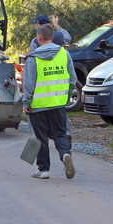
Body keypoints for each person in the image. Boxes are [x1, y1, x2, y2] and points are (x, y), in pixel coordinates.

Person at [23, 24, 77, 179]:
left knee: (40, 138)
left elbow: (29, 85)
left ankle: (44, 170)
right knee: (60, 134)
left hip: (38, 106)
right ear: (52, 37)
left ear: (39, 38)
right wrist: (66, 97)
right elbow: (72, 79)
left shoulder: (33, 58)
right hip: (58, 103)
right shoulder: (64, 54)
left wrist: (26, 103)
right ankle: (65, 154)